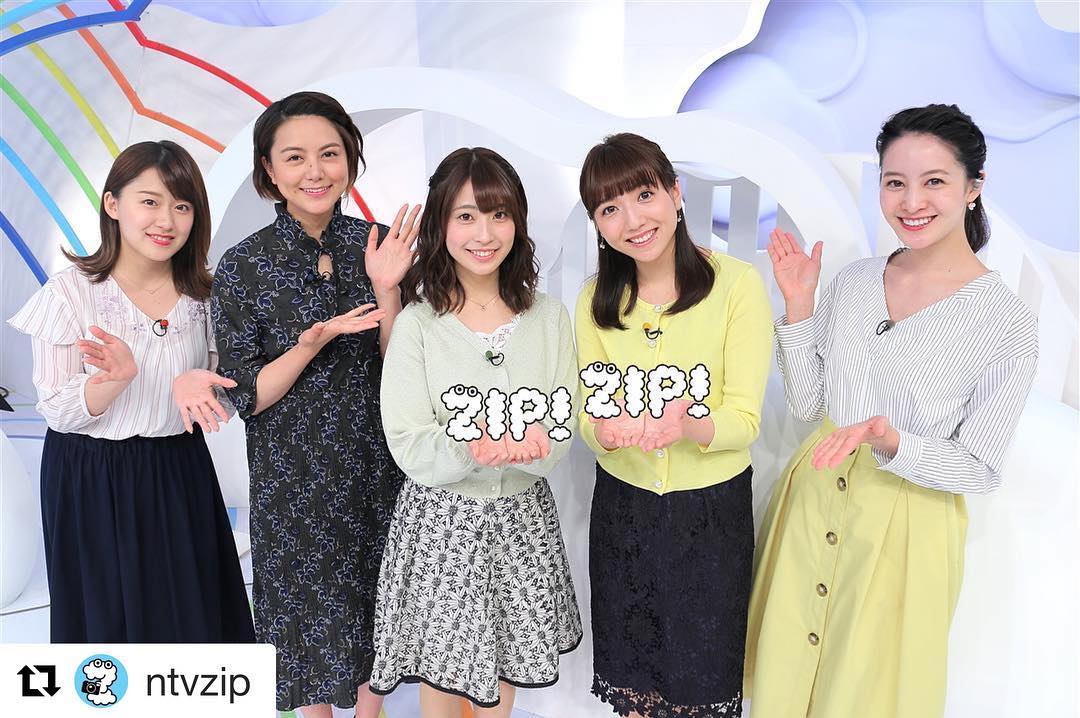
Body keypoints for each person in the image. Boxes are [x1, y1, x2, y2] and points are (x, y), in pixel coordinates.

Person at [745, 104, 1040, 718]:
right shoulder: (855, 282)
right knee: (785, 688)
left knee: (867, 695)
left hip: (907, 527)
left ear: (973, 186)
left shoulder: (1005, 320)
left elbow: (980, 468)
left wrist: (892, 441)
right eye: (895, 182)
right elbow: (809, 404)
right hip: (813, 499)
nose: (912, 201)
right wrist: (799, 304)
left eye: (934, 181)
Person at [210, 91, 417, 717]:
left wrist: (388, 290)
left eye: (329, 154)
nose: (315, 171)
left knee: (377, 605)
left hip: (376, 466)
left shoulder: (379, 246)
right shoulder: (243, 265)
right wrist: (309, 344)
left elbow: (405, 370)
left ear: (350, 160)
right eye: (295, 157)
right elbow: (248, 396)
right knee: (304, 620)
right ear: (269, 170)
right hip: (292, 477)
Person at [8, 140, 254, 643]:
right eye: (150, 201)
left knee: (191, 617)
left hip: (178, 467)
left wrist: (200, 387)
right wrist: (113, 380)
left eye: (182, 206)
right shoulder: (70, 293)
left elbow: (225, 393)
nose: (167, 220)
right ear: (113, 204)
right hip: (89, 474)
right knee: (107, 630)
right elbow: (57, 410)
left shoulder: (206, 297)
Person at [369, 147, 582, 717]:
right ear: (441, 225)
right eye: (465, 216)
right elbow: (407, 438)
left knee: (506, 663)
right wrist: (472, 448)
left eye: (498, 214)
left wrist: (531, 447)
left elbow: (562, 421)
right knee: (441, 671)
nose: (484, 234)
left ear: (518, 221)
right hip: (442, 523)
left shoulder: (549, 317)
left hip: (522, 520)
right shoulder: (417, 323)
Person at [575, 132, 773, 718]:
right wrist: (603, 431)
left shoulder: (737, 285)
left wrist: (691, 424)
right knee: (634, 682)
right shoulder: (595, 301)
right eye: (610, 208)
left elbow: (745, 419)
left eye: (644, 195)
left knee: (700, 684)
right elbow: (588, 411)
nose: (633, 220)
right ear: (597, 223)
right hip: (624, 510)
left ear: (675, 193)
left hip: (709, 516)